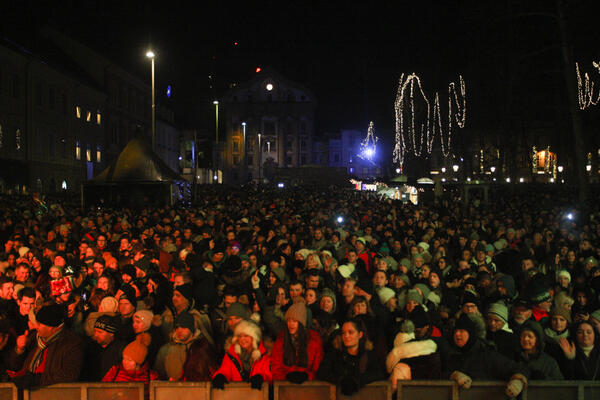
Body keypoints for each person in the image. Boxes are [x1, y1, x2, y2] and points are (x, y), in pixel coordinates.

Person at [440, 314, 528, 398]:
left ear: (471, 334)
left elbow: (514, 367)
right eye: (456, 331)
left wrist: (518, 380)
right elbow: (436, 374)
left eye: (462, 331)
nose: (457, 334)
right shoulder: (449, 353)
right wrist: (453, 375)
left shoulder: (486, 354)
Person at [7, 304, 84, 389]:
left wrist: (36, 379)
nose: (36, 326)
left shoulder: (72, 343)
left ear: (52, 327)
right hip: (28, 393)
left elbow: (69, 375)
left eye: (40, 324)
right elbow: (14, 366)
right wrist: (19, 350)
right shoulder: (33, 338)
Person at [317, 318, 384, 396]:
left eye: (350, 332)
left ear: (360, 335)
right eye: (343, 333)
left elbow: (378, 373)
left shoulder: (368, 354)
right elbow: (322, 372)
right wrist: (341, 380)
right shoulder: (335, 353)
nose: (346, 336)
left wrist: (357, 381)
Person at [271, 302, 324, 383]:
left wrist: (307, 376)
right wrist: (287, 376)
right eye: (288, 320)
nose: (291, 324)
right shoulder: (280, 341)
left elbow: (318, 370)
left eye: (295, 321)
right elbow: (275, 370)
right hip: (285, 387)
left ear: (301, 323)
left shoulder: (314, 342)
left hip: (309, 388)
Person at [212, 319, 271, 390]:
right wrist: (220, 376)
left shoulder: (264, 354)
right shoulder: (232, 354)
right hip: (237, 394)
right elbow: (225, 370)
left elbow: (269, 374)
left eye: (246, 336)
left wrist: (261, 377)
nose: (242, 339)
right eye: (240, 336)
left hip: (258, 394)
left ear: (254, 338)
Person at [102, 332, 159, 398]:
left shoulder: (151, 376)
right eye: (124, 358)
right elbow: (102, 390)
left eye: (129, 360)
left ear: (138, 362)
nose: (125, 362)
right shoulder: (115, 371)